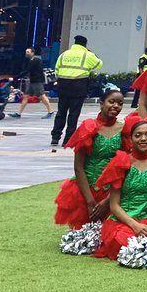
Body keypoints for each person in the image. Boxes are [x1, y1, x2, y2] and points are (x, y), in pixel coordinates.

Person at [93, 120, 147, 259]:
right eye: (138, 135)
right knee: (125, 244)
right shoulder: (121, 162)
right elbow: (114, 205)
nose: (143, 139)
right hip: (125, 220)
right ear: (131, 139)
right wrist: (135, 226)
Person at [53, 87, 125, 229]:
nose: (116, 106)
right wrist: (90, 201)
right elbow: (78, 167)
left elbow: (127, 166)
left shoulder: (125, 130)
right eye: (112, 101)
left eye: (120, 103)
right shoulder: (89, 127)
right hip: (87, 188)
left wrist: (109, 199)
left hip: (113, 190)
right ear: (101, 103)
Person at [51, 35, 103, 150]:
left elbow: (57, 70)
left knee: (61, 112)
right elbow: (99, 64)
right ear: (85, 44)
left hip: (63, 86)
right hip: (78, 86)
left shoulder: (64, 54)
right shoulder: (87, 55)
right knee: (73, 114)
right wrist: (91, 53)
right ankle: (68, 139)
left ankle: (55, 136)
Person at [13, 47, 54, 119]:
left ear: (32, 53)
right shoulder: (33, 60)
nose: (26, 53)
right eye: (26, 52)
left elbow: (27, 70)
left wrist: (15, 78)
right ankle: (18, 113)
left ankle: (50, 112)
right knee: (25, 96)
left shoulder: (35, 60)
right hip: (33, 81)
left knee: (42, 96)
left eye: (28, 52)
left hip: (37, 82)